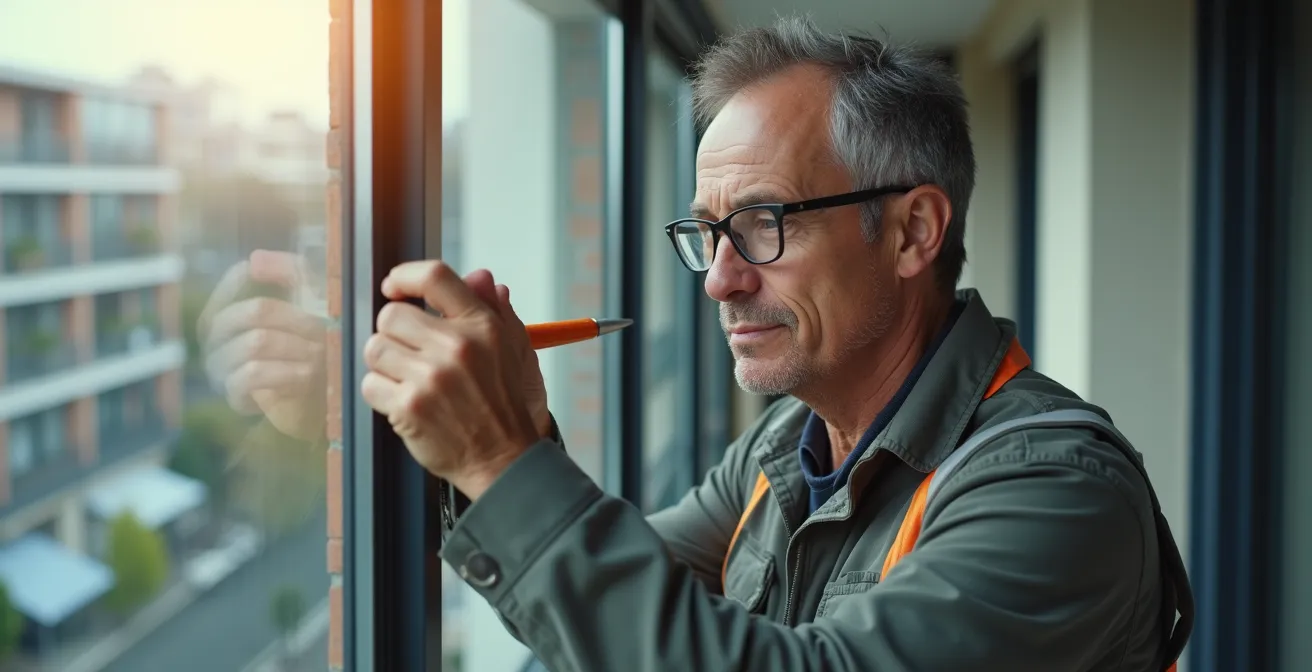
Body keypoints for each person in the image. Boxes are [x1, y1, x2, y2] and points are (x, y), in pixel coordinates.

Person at [206, 16, 1193, 672]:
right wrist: (414, 419)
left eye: (764, 223)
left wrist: (504, 457)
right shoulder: (782, 452)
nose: (720, 277)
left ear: (910, 232)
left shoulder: (1056, 490)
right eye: (705, 233)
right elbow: (613, 618)